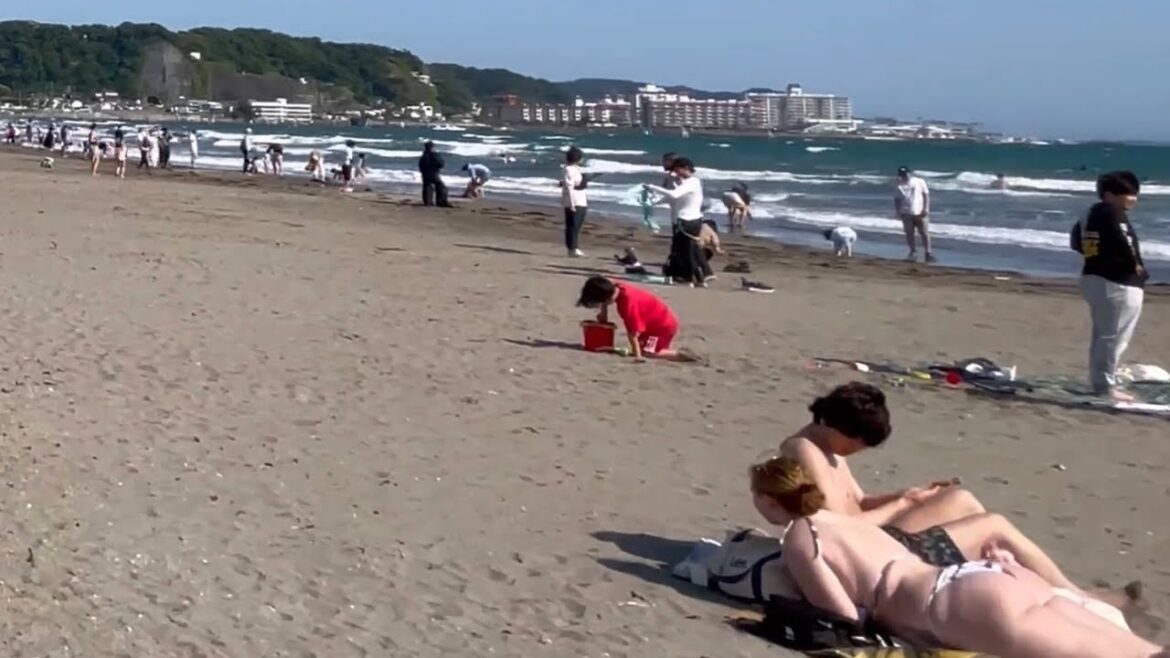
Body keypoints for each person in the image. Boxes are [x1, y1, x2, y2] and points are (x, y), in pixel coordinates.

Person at [748, 456, 1160, 658]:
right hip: (985, 576)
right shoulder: (842, 521)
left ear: (769, 501)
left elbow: (842, 615)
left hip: (948, 604)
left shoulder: (803, 537)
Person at [779, 382, 1134, 604]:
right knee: (993, 524)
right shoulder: (803, 450)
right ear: (836, 424)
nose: (858, 449)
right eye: (857, 441)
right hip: (861, 549)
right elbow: (839, 525)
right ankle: (1071, 595)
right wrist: (903, 504)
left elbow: (857, 502)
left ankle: (1012, 577)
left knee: (959, 500)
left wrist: (907, 496)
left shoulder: (828, 449)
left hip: (871, 534)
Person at [1070, 171, 1147, 401]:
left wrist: (1095, 257)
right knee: (1113, 337)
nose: (1132, 199)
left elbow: (1076, 240)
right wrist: (1136, 267)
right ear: (1110, 195)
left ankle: (1102, 381)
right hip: (1117, 282)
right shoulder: (1113, 214)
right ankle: (1105, 386)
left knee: (1104, 335)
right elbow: (1126, 242)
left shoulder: (1090, 212)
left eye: (1135, 194)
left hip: (1093, 277)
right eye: (1127, 194)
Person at [577, 275, 691, 362]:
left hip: (662, 327)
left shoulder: (628, 305)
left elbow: (633, 333)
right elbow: (605, 286)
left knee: (648, 352)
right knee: (645, 346)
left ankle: (681, 355)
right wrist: (603, 314)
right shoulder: (616, 287)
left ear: (606, 299)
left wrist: (638, 355)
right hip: (658, 320)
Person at [644, 157, 710, 287]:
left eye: (677, 170)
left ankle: (691, 279)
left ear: (685, 168)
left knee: (687, 252)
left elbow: (673, 195)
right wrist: (652, 202)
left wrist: (652, 187)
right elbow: (674, 200)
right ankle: (692, 277)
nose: (676, 174)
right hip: (685, 220)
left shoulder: (692, 182)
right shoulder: (687, 183)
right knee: (682, 251)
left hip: (687, 221)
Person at [894, 166, 933, 262]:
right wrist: (898, 212)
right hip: (906, 212)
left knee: (924, 233)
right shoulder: (899, 185)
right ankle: (913, 252)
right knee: (909, 233)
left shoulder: (919, 181)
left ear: (910, 173)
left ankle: (928, 253)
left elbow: (926, 195)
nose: (904, 176)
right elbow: (897, 199)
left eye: (906, 174)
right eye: (902, 174)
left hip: (919, 211)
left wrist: (926, 208)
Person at [560, 146, 589, 257]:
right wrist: (571, 204)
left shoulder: (575, 169)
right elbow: (569, 186)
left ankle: (572, 247)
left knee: (575, 225)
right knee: (573, 225)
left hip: (580, 198)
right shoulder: (569, 169)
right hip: (575, 200)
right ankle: (573, 248)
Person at [418, 141, 450, 206]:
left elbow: (420, 165)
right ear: (432, 147)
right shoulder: (434, 155)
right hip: (433, 173)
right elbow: (441, 163)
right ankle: (441, 201)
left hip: (425, 174)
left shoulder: (423, 156)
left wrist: (423, 171)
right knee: (441, 187)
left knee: (427, 187)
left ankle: (428, 202)